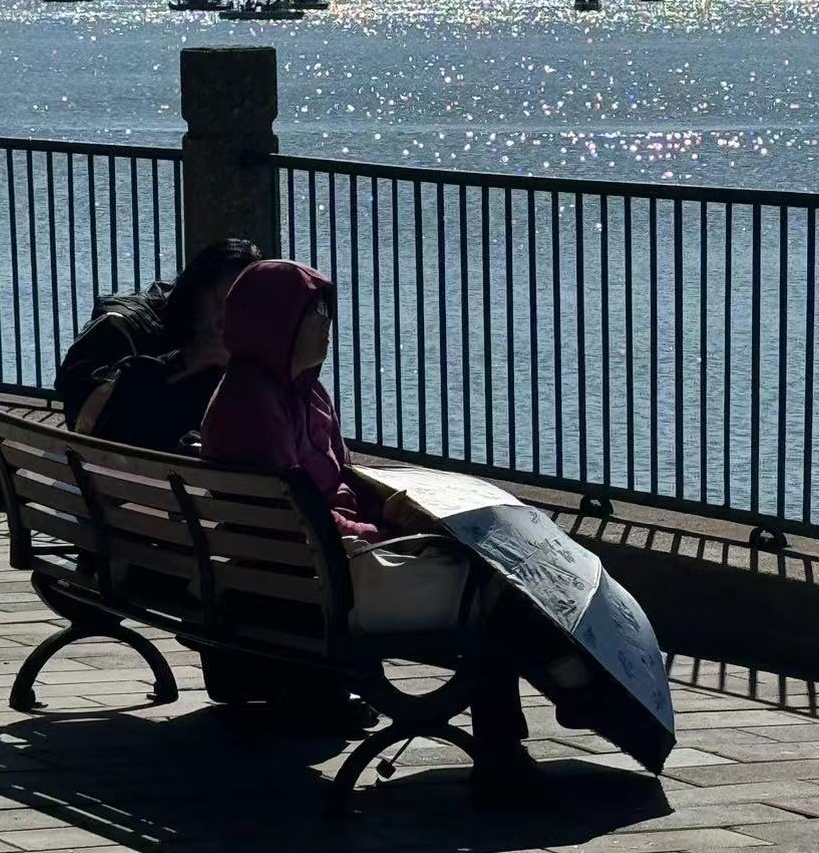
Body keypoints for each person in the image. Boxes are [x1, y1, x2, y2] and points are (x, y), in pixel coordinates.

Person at [200, 258, 544, 800]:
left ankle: (533, 720)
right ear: (276, 321)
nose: (326, 324)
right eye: (314, 312)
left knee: (493, 570)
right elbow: (302, 514)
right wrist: (378, 531)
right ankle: (505, 751)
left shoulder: (300, 393)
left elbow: (333, 484)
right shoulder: (253, 408)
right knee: (495, 591)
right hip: (324, 582)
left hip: (304, 570)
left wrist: (396, 509)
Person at [56, 237, 261, 453]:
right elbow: (83, 420)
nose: (230, 317)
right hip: (127, 468)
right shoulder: (119, 325)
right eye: (223, 302)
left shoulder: (227, 334)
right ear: (197, 291)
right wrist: (183, 363)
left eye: (245, 307)